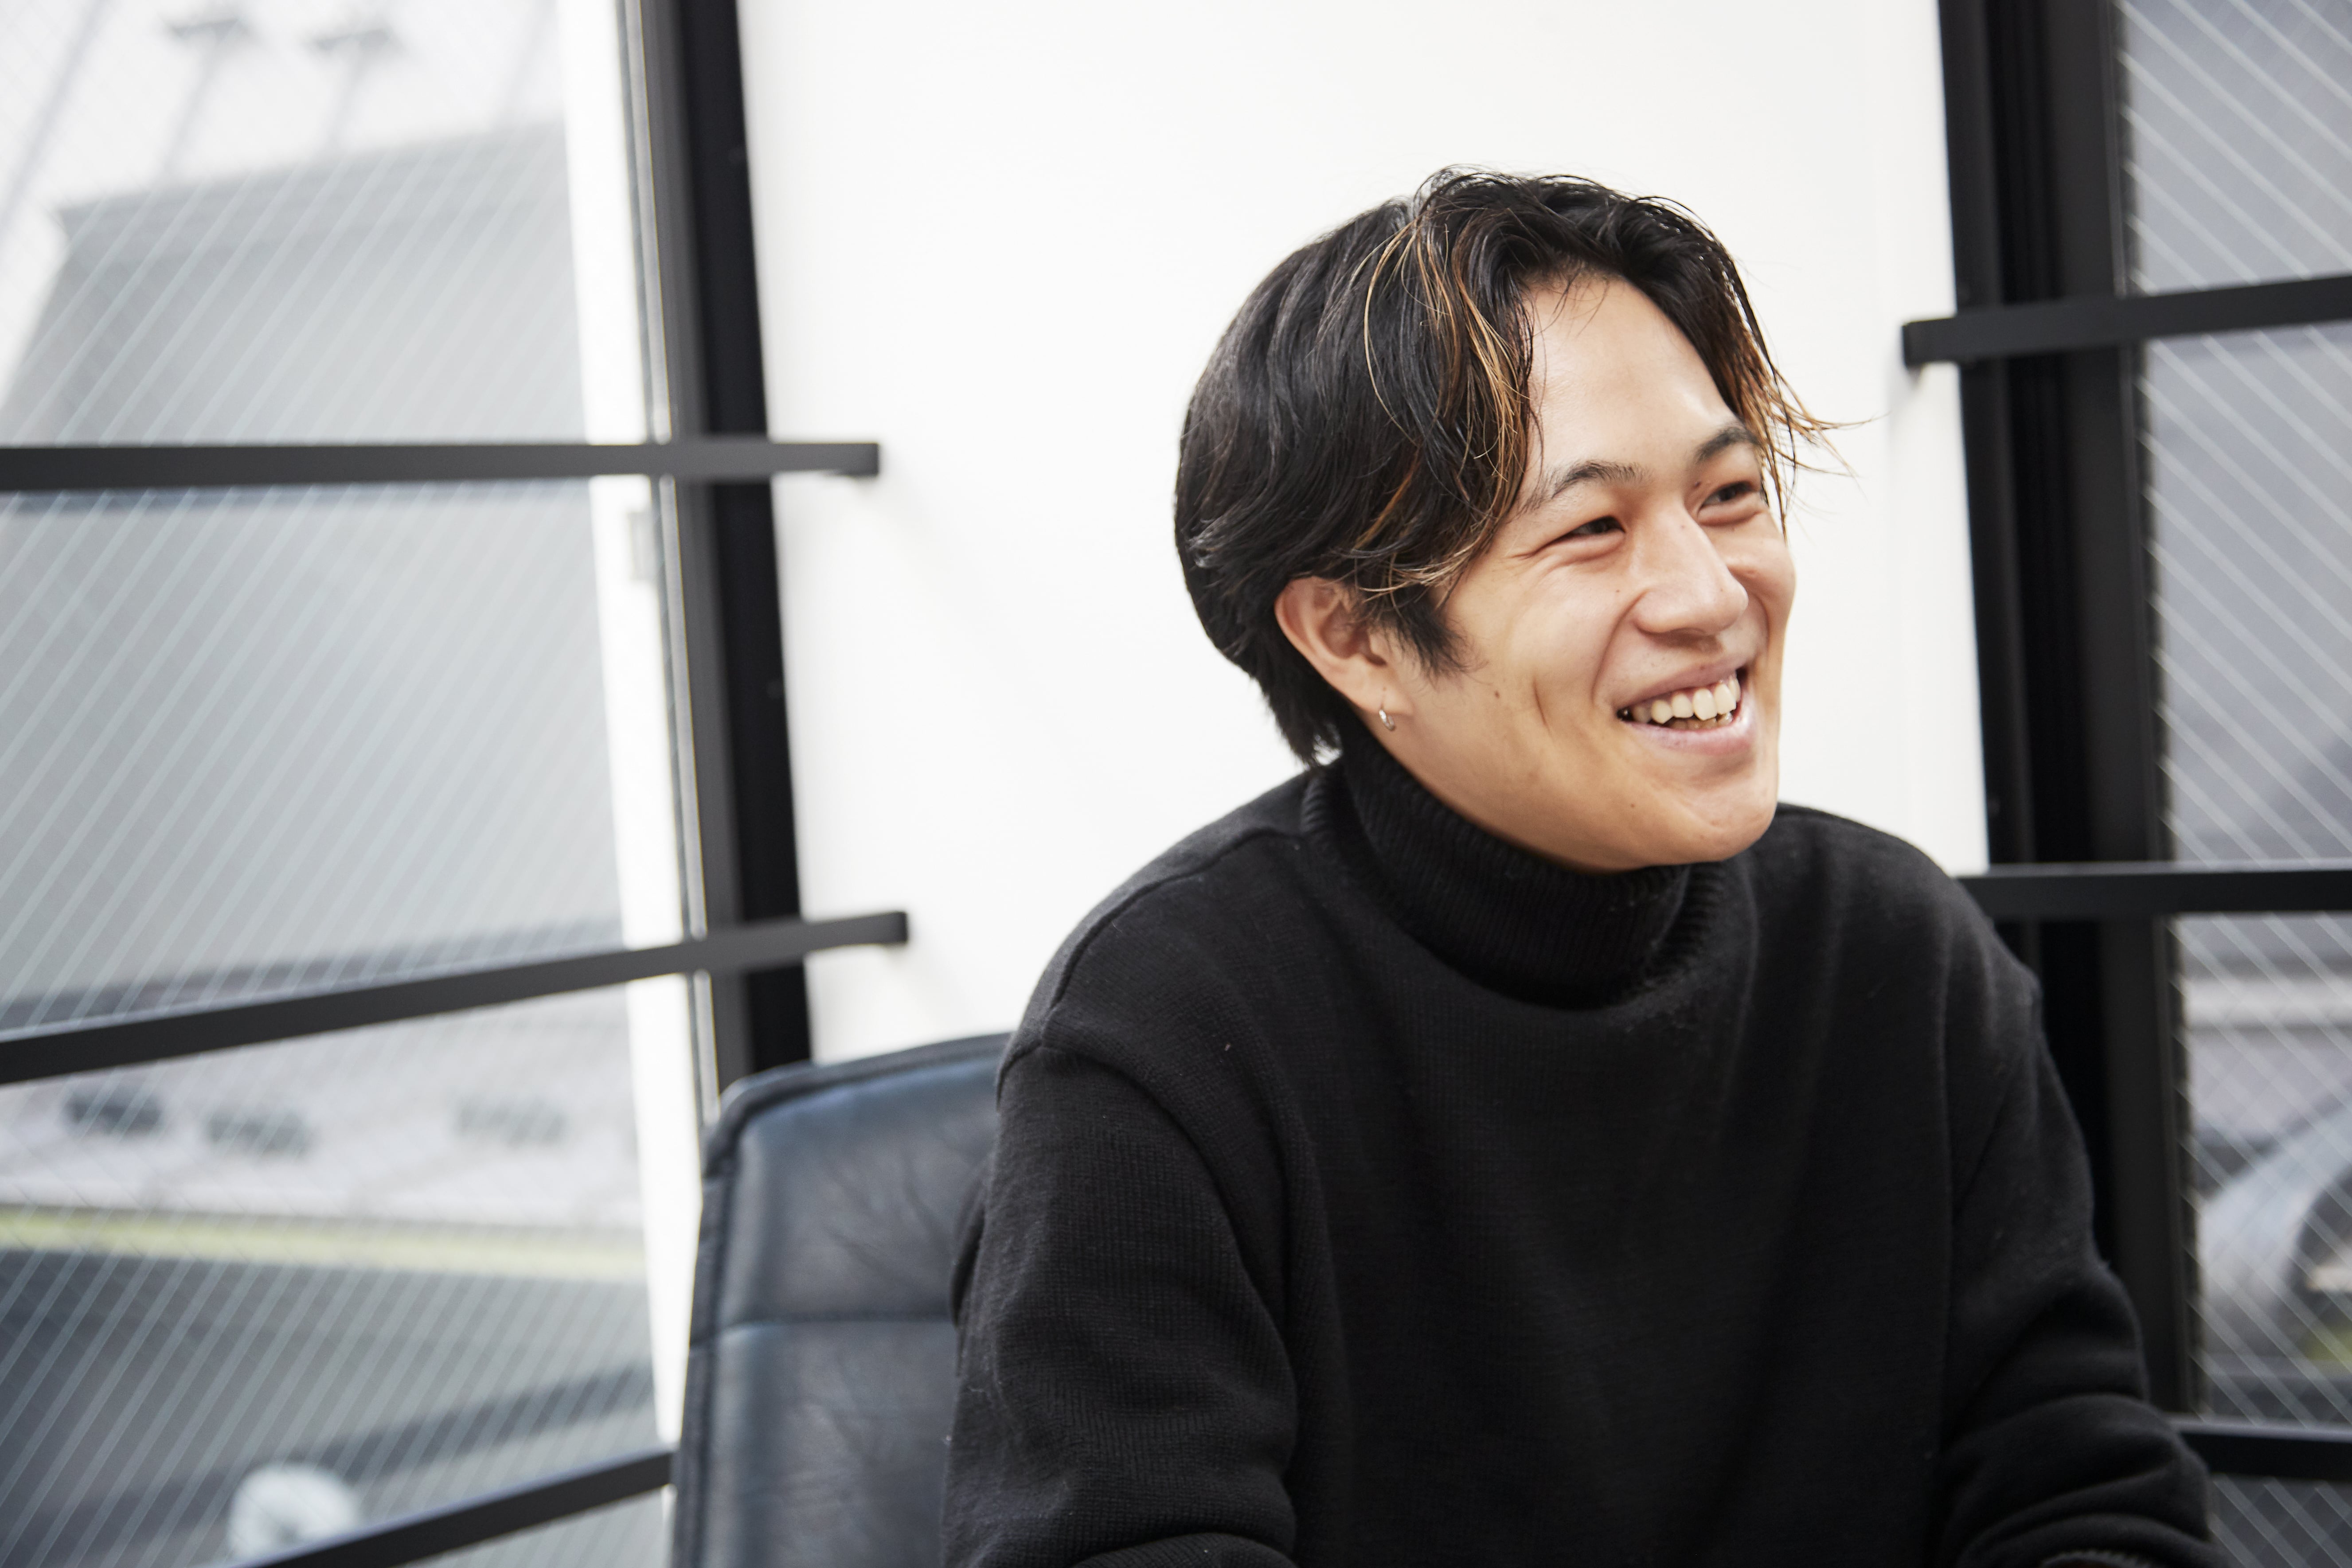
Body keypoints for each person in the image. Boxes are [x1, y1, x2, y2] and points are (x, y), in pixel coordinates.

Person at [944, 171, 2219, 1568]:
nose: (1710, 594)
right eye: (1591, 530)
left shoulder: (1894, 952)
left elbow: (2080, 1499)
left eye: (1727, 495)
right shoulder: (1163, 1032)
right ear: (1355, 637)